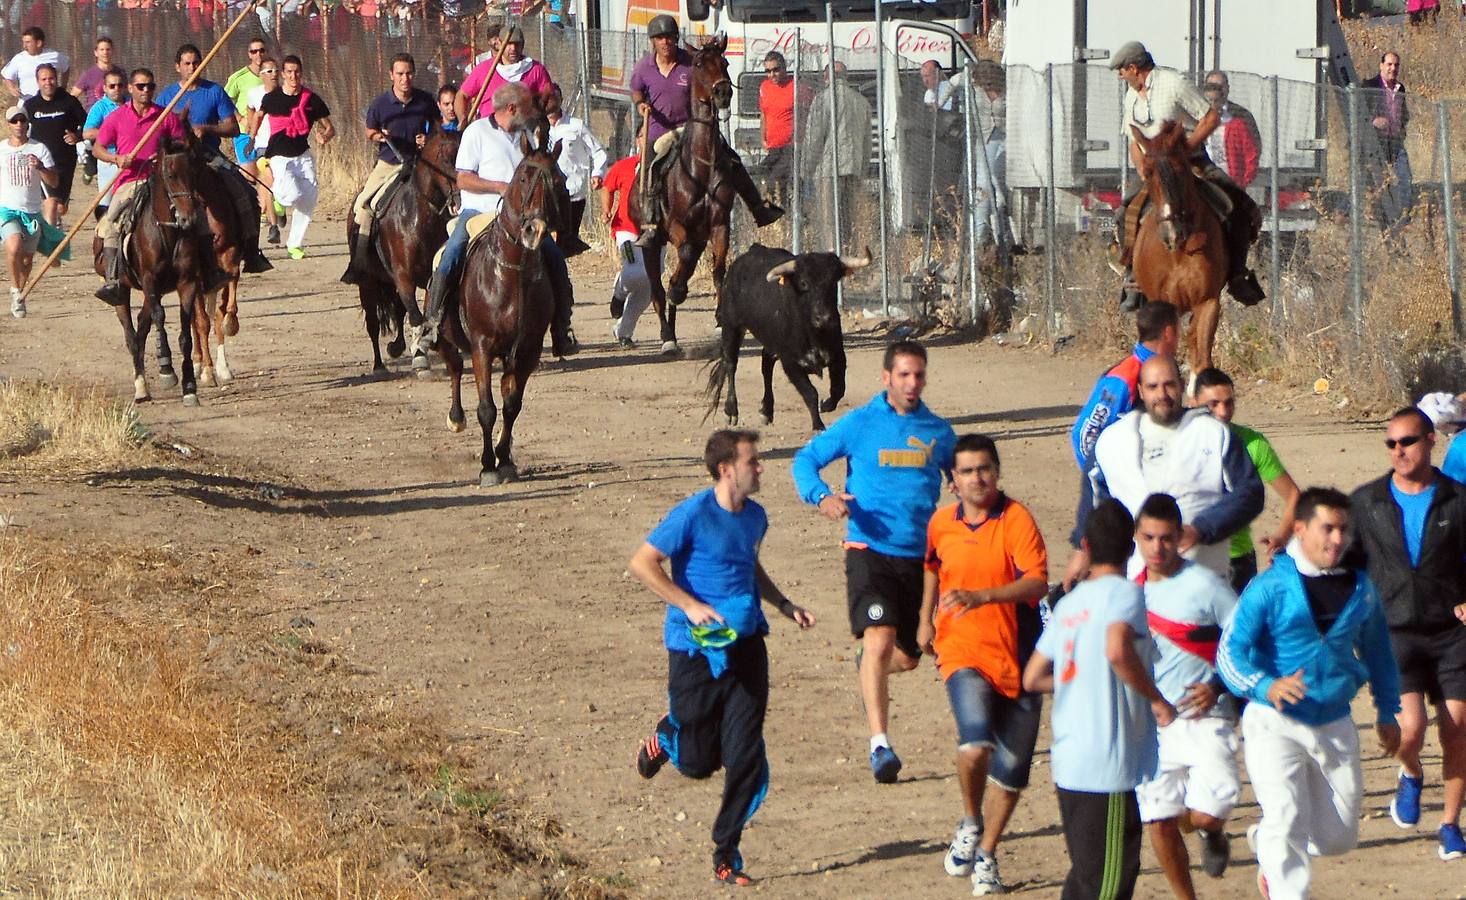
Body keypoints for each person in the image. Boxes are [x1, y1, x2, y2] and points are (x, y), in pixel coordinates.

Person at [629, 429, 815, 887]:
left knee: (744, 754)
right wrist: (689, 605)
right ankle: (669, 732)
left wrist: (783, 604)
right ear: (726, 468)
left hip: (747, 643)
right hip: (694, 646)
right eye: (753, 461)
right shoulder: (691, 514)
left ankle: (726, 850)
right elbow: (642, 563)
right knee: (697, 762)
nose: (761, 467)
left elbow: (748, 564)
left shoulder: (756, 518)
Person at [1218, 487, 1402, 899]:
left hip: (1334, 720)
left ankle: (1269, 843)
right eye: (1327, 529)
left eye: (1343, 530)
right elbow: (1230, 653)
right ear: (1300, 529)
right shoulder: (1269, 587)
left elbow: (1379, 651)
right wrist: (1267, 686)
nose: (1337, 539)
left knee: (1338, 837)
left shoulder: (1361, 589)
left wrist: (1388, 711)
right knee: (1285, 816)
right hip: (1273, 721)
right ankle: (1281, 868)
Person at [792, 339, 956, 783]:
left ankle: (869, 662)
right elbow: (806, 460)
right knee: (881, 638)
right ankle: (880, 746)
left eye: (918, 374)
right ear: (886, 378)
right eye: (903, 374)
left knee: (908, 655)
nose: (912, 383)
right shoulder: (860, 424)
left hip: (920, 562)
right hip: (868, 551)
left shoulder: (939, 432)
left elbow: (961, 477)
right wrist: (822, 496)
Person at [1023, 499, 1175, 900]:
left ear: (1086, 545)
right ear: (1130, 546)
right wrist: (1156, 700)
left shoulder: (1071, 604)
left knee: (1090, 879)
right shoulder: (1126, 594)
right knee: (1106, 886)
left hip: (1072, 759)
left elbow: (1033, 677)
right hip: (1106, 764)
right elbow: (1117, 650)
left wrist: (1081, 680)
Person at [918, 433, 1048, 895]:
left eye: (984, 468)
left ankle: (988, 854)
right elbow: (932, 565)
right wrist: (925, 619)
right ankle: (970, 821)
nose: (977, 478)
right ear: (952, 481)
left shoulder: (1017, 519)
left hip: (1021, 656)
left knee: (1012, 773)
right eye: (967, 471)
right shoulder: (941, 523)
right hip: (962, 650)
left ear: (997, 470)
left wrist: (985, 596)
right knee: (974, 743)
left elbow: (1036, 584)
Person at [1349, 407, 1466, 861]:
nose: (1399, 451)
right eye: (1391, 444)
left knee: (1457, 731)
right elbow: (1345, 565)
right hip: (1393, 631)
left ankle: (1450, 824)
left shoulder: (1457, 500)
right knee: (1410, 731)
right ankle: (1411, 773)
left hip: (1451, 633)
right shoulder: (1367, 502)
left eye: (1408, 442)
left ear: (1431, 440)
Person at [416, 81, 578, 358]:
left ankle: (562, 328)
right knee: (451, 253)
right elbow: (463, 178)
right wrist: (502, 187)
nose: (531, 113)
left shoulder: (529, 135)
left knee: (554, 257)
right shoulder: (476, 133)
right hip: (479, 212)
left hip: (519, 218)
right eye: (527, 108)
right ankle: (431, 324)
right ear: (512, 108)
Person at [1071, 354, 1264, 583]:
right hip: (1136, 584)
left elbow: (1250, 492)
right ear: (1141, 391)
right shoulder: (1113, 441)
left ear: (1182, 386)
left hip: (1202, 582)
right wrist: (1083, 548)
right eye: (1153, 387)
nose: (1162, 395)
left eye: (1169, 385)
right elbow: (1094, 503)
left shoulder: (1213, 434)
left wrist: (1202, 529)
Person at [1131, 493, 1240, 897]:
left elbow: (1244, 639)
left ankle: (1212, 833)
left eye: (1165, 538)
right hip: (1154, 724)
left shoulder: (1208, 586)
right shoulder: (1130, 591)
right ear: (1137, 537)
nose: (1157, 548)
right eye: (1149, 537)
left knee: (1205, 815)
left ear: (1180, 538)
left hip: (1206, 718)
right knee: (1158, 818)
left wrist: (1217, 686)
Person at [1108, 41, 1264, 311]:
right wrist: (1143, 169)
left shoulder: (1174, 83)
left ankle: (1238, 275)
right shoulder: (1131, 95)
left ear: (1134, 68)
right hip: (1154, 168)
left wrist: (1186, 150)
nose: (1120, 76)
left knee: (1236, 204)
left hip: (1190, 161)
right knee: (1125, 212)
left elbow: (1210, 117)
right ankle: (1133, 277)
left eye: (1122, 71)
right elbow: (1134, 140)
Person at [631, 14, 783, 246]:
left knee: (731, 159)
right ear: (653, 41)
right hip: (659, 130)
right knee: (652, 169)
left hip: (693, 127)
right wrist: (641, 104)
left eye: (670, 37)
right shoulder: (644, 67)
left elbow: (709, 78)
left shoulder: (690, 63)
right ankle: (651, 224)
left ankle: (759, 208)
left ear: (676, 39)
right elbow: (636, 91)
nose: (666, 42)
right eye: (660, 38)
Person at [1068, 300, 1180, 572]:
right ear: (1168, 332)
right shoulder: (1126, 376)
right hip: (1116, 503)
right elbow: (1085, 436)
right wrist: (1106, 478)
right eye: (1178, 329)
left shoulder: (1158, 371)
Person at [158, 43, 271, 274]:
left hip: (208, 157)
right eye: (187, 64)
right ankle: (158, 252)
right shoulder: (166, 96)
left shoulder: (214, 91)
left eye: (196, 63)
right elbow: (155, 129)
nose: (192, 68)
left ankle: (251, 251)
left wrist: (207, 129)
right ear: (177, 66)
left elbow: (232, 127)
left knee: (246, 192)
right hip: (176, 160)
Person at [1194, 367, 1302, 593]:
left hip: (1237, 560)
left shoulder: (1253, 444)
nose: (1223, 412)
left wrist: (1281, 536)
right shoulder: (1180, 441)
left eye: (1229, 403)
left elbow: (1294, 496)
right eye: (1213, 404)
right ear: (1193, 402)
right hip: (1192, 557)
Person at [92, 67, 193, 304]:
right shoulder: (116, 117)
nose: (145, 90)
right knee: (111, 222)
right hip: (130, 181)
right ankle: (113, 280)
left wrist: (165, 157)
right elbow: (98, 148)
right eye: (140, 86)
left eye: (150, 86)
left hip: (163, 181)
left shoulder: (165, 115)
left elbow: (181, 145)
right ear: (130, 88)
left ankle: (208, 269)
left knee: (194, 213)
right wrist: (116, 159)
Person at [341, 52, 436, 284]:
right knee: (364, 205)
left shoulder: (425, 100)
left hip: (419, 164)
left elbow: (438, 129)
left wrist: (428, 139)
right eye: (400, 74)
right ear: (391, 75)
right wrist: (379, 136)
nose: (405, 79)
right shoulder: (380, 104)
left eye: (409, 73)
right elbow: (369, 130)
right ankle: (359, 262)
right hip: (388, 164)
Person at [259, 55, 333, 260]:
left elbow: (329, 128)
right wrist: (250, 137)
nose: (293, 76)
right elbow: (257, 115)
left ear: (301, 73)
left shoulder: (311, 100)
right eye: (289, 72)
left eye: (297, 72)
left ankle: (295, 244)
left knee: (309, 197)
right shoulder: (272, 98)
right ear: (283, 74)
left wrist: (324, 136)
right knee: (291, 194)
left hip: (302, 153)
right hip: (278, 155)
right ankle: (278, 201)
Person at [802, 61, 870, 253]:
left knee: (829, 219)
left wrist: (806, 167)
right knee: (849, 218)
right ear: (846, 77)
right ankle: (850, 254)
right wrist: (862, 169)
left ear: (826, 78)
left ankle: (832, 256)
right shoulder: (862, 102)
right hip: (854, 168)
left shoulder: (822, 100)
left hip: (828, 168)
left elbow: (814, 138)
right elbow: (867, 142)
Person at [0, 104, 57, 318]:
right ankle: (15, 290)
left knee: (26, 261)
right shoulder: (2, 149)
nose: (18, 125)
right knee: (13, 247)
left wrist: (41, 167)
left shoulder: (38, 149)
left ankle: (20, 295)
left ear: (27, 123)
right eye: (14, 121)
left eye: (22, 120)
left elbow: (54, 180)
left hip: (32, 212)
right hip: (7, 209)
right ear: (8, 125)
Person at [545, 82, 604, 257]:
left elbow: (598, 151)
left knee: (565, 243)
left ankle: (563, 279)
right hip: (547, 194)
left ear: (561, 100)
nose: (551, 103)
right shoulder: (538, 128)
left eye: (554, 98)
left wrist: (597, 173)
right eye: (547, 99)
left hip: (572, 192)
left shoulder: (576, 126)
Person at [21, 64, 84, 226]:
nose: (48, 82)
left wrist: (77, 136)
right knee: (50, 201)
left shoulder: (69, 102)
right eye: (44, 79)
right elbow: (20, 130)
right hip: (40, 162)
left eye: (51, 78)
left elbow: (87, 124)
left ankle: (57, 214)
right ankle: (52, 235)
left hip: (64, 161)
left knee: (60, 206)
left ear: (56, 80)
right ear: (37, 82)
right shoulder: (30, 106)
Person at [455, 24, 551, 123]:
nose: (513, 48)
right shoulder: (484, 69)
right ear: (500, 44)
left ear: (522, 45)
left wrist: (536, 111)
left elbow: (550, 98)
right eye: (509, 44)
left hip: (523, 130)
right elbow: (462, 95)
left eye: (517, 44)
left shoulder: (535, 69)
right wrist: (462, 117)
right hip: (489, 130)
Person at [603, 150, 650, 349]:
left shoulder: (668, 166)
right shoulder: (625, 165)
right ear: (639, 140)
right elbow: (607, 185)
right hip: (626, 231)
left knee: (648, 287)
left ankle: (624, 331)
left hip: (655, 235)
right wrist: (607, 209)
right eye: (641, 137)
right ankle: (619, 293)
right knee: (633, 268)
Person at [1364, 51, 1412, 245]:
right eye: (1390, 64)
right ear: (1381, 66)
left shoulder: (1401, 88)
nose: (1393, 68)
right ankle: (1343, 213)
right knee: (1372, 182)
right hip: (1376, 143)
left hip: (1395, 141)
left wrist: (1401, 128)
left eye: (1396, 65)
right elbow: (1358, 111)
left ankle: (1404, 217)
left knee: (1405, 177)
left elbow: (1405, 113)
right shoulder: (1369, 86)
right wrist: (1373, 121)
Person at [756, 51, 807, 205]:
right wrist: (763, 138)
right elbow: (764, 114)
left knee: (777, 181)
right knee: (762, 176)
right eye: (768, 71)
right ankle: (780, 219)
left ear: (784, 68)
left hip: (790, 146)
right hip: (773, 146)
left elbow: (805, 115)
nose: (772, 75)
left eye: (776, 70)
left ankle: (790, 216)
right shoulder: (765, 87)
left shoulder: (796, 87)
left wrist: (800, 137)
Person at [1202, 70, 1261, 191]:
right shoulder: (1198, 113)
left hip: (1232, 181)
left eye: (1220, 86)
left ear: (1227, 88)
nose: (1217, 90)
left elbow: (1254, 148)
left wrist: (1244, 180)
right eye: (1212, 86)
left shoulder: (1241, 115)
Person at [243, 56, 280, 246]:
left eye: (276, 70)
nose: (274, 74)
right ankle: (274, 226)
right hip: (263, 146)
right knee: (268, 181)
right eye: (269, 71)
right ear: (261, 74)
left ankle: (278, 208)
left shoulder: (285, 94)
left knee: (277, 187)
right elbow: (252, 113)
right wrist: (251, 134)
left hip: (283, 147)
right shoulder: (255, 94)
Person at [81, 67, 126, 222]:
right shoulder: (100, 107)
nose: (116, 89)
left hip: (130, 159)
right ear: (105, 88)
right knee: (106, 206)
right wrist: (111, 133)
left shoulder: (132, 104)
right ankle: (103, 238)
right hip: (108, 159)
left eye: (120, 85)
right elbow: (87, 132)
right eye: (112, 86)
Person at [2, 27, 68, 101]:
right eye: (23, 42)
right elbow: (7, 77)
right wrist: (12, 88)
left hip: (50, 103)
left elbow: (66, 68)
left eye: (28, 42)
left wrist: (63, 87)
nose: (24, 46)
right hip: (27, 103)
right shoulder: (19, 58)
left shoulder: (55, 56)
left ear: (38, 43)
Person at [70, 36, 116, 108]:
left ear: (112, 51)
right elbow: (72, 97)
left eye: (108, 49)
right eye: (102, 49)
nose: (105, 52)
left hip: (115, 114)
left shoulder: (119, 72)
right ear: (96, 53)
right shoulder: (88, 74)